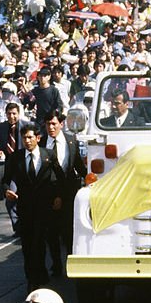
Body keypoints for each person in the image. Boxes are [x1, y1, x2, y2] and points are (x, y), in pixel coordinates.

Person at [6, 124, 61, 292]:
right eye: (24, 138)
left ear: (38, 138)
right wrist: (7, 190)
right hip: (25, 208)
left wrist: (59, 196)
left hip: (44, 207)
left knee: (39, 242)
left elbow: (59, 177)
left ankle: (38, 276)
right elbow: (6, 179)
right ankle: (32, 278)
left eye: (30, 137)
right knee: (28, 245)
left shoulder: (48, 155)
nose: (27, 141)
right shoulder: (16, 158)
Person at [42, 111, 85, 276]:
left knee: (68, 231)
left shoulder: (71, 141)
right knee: (51, 232)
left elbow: (78, 166)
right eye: (48, 124)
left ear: (61, 124)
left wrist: (92, 179)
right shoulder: (41, 142)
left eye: (54, 124)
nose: (51, 128)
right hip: (48, 193)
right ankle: (56, 265)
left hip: (68, 193)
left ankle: (70, 261)